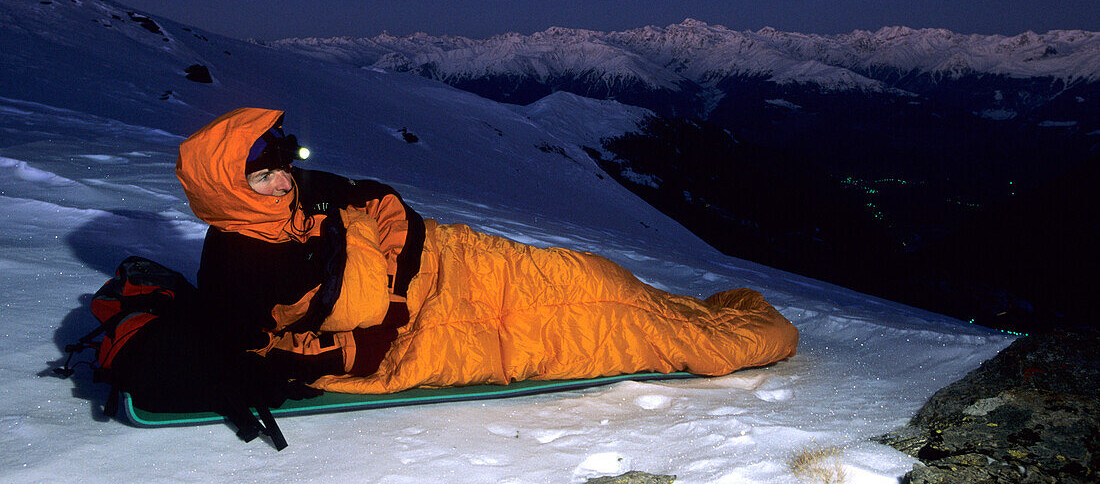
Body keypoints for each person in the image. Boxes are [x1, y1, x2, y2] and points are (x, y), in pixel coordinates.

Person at [175, 107, 798, 395]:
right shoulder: (238, 267)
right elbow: (270, 354)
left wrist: (396, 255)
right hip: (433, 324)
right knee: (600, 316)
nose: (283, 180)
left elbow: (379, 201)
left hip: (456, 260)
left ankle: (686, 311)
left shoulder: (300, 198)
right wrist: (382, 318)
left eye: (282, 165)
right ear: (229, 191)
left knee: (586, 274)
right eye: (264, 177)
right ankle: (721, 337)